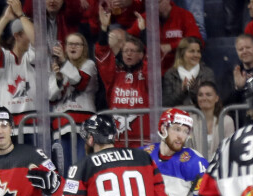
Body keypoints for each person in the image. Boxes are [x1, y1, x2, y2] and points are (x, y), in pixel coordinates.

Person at [0, 0, 36, 137]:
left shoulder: (34, 57)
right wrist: (5, 19)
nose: (31, 36)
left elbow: (37, 41)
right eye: (26, 33)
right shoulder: (4, 57)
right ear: (17, 35)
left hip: (35, 128)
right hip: (8, 130)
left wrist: (21, 14)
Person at [96, 7, 149, 146]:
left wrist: (144, 33)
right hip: (119, 139)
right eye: (126, 51)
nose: (128, 54)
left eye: (133, 51)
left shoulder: (145, 75)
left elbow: (151, 62)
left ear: (141, 54)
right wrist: (103, 28)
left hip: (144, 139)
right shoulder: (114, 74)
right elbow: (102, 56)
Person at [48, 32, 98, 170]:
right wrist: (58, 78)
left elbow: (80, 82)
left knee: (82, 168)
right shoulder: (57, 68)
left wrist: (64, 63)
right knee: (64, 169)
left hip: (83, 127)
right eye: (70, 44)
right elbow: (51, 97)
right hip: (61, 127)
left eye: (77, 44)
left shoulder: (89, 65)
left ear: (84, 48)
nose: (73, 47)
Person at [162, 36, 215, 107]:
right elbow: (167, 103)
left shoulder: (207, 73)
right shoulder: (171, 74)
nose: (196, 55)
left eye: (198, 51)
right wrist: (182, 91)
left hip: (200, 116)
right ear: (182, 53)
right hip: (178, 116)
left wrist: (194, 90)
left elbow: (211, 101)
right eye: (192, 51)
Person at [191, 81, 235, 161]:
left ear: (216, 98)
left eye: (208, 95)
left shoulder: (227, 121)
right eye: (200, 95)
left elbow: (230, 149)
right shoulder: (190, 120)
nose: (204, 98)